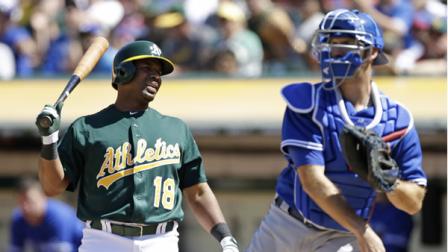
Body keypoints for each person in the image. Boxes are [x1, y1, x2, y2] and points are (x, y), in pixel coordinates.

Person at [246, 9, 427, 252]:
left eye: (346, 43)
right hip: (286, 226)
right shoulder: (307, 102)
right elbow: (312, 181)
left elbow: (414, 203)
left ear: (372, 51)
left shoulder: (398, 120)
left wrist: (388, 182)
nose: (336, 50)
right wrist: (363, 231)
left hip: (341, 237)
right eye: (331, 43)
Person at [35, 40, 239, 252]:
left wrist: (225, 237)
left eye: (159, 71)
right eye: (147, 68)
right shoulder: (87, 127)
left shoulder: (176, 129)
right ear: (123, 72)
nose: (155, 76)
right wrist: (49, 139)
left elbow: (197, 192)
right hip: (103, 241)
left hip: (162, 242)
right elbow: (52, 187)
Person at [9, 176, 83, 252]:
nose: (25, 207)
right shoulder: (19, 219)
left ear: (43, 197)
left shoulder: (58, 216)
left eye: (30, 201)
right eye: (21, 202)